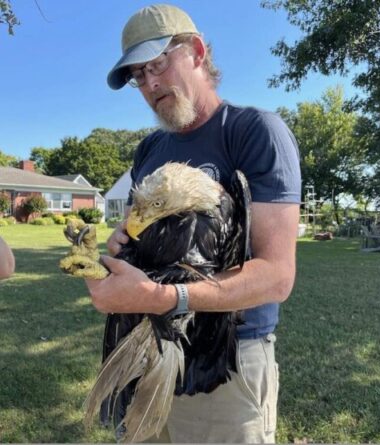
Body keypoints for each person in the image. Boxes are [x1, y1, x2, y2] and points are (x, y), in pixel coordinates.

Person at [85, 4, 301, 443]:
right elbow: (137, 237)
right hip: (149, 349)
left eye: (157, 65)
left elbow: (277, 277)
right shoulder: (148, 150)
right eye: (138, 77)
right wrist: (120, 249)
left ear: (197, 52)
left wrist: (164, 297)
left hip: (226, 360)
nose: (150, 85)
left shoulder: (253, 131)